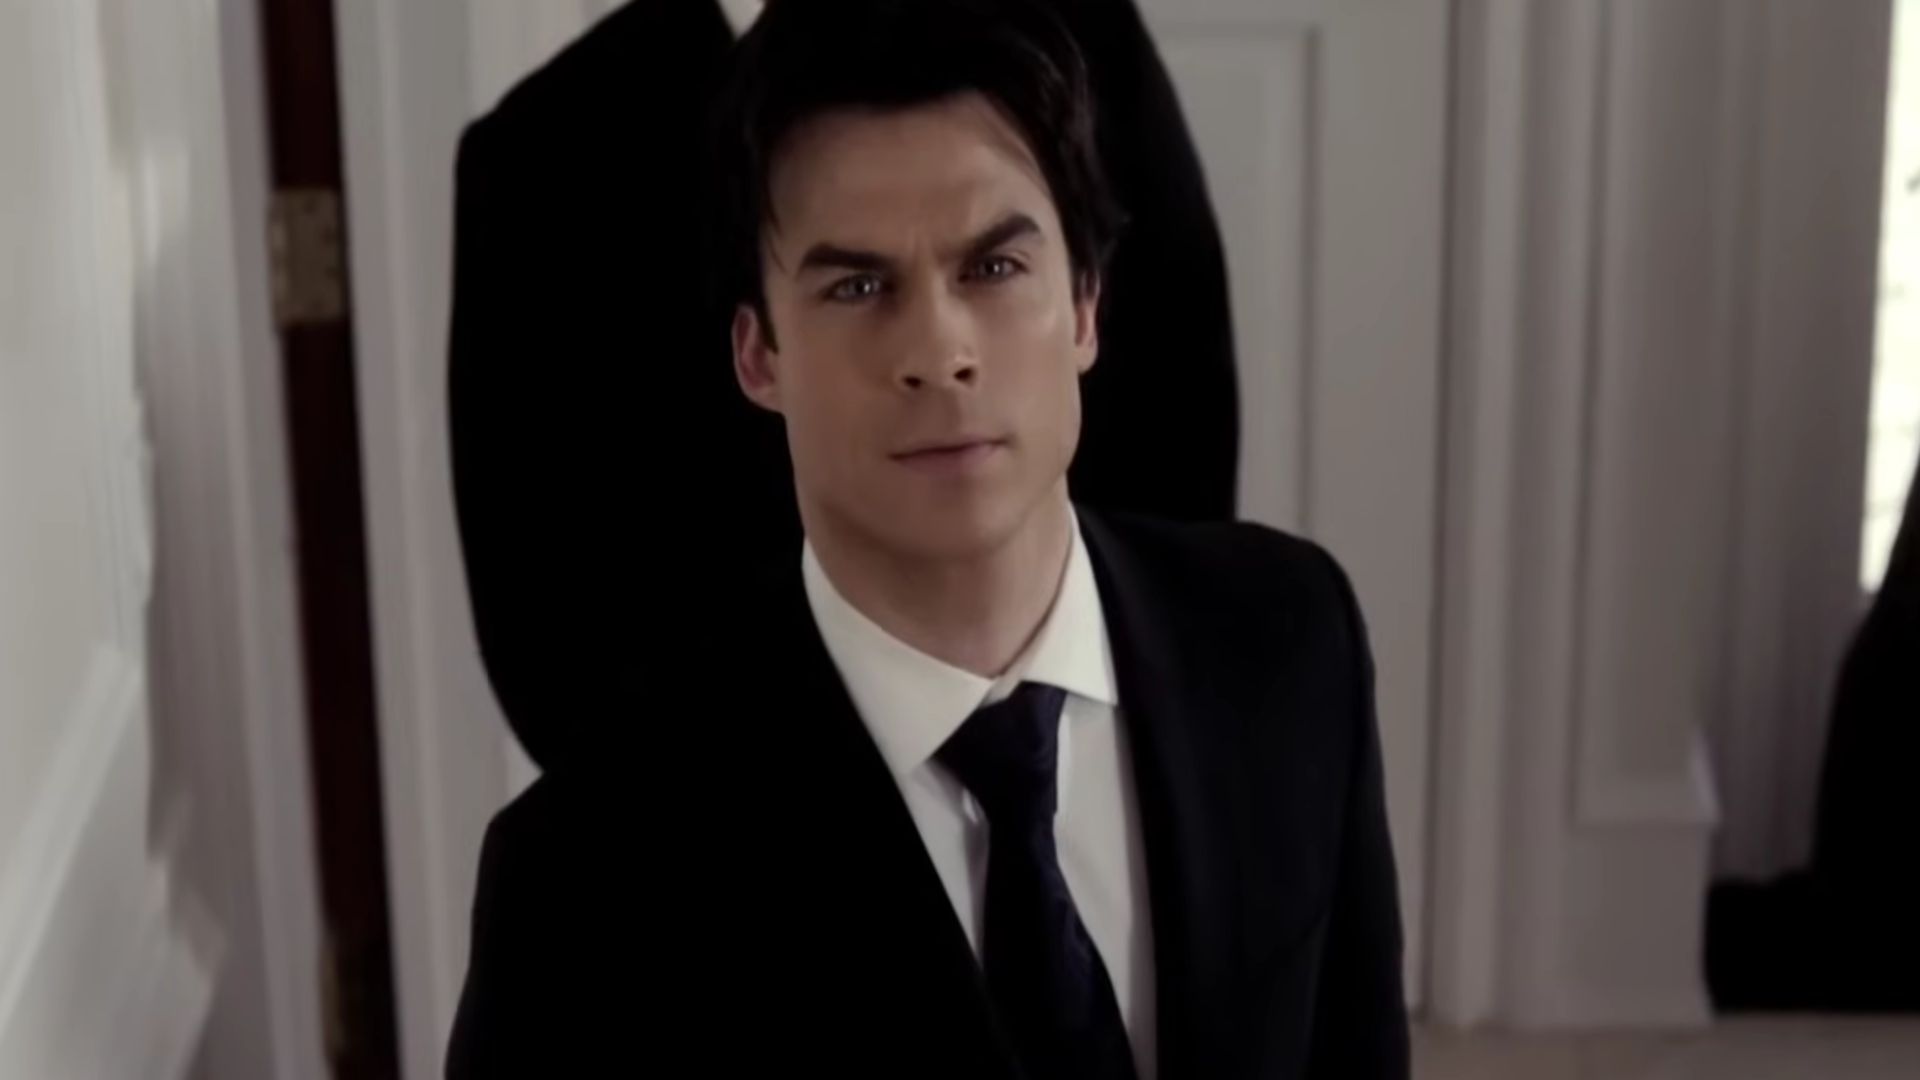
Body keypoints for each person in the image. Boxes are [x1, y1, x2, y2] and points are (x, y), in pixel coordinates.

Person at [446, 1, 1406, 1076]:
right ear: (758, 357)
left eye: (993, 269)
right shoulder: (577, 881)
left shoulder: (1295, 645)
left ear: (1087, 303)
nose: (939, 352)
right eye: (859, 287)